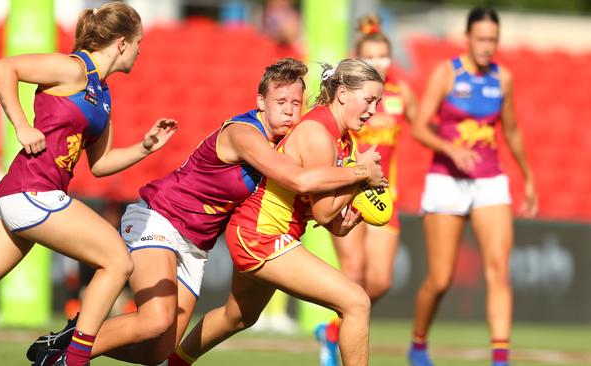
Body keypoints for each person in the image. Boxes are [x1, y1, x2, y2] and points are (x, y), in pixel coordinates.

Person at [28, 57, 385, 365]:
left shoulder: (300, 137)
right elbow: (299, 180)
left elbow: (317, 203)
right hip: (161, 217)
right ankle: (67, 357)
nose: (291, 110)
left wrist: (348, 206)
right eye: (281, 101)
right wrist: (360, 174)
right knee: (155, 320)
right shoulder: (247, 133)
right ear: (260, 101)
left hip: (197, 243)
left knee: (160, 349)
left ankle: (77, 337)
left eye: (296, 101)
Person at [0, 3, 179, 366]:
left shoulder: (103, 92)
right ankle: (73, 359)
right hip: (33, 192)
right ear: (120, 43)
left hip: (25, 195)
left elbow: (100, 165)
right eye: (138, 42)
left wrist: (145, 147)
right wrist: (21, 125)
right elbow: (3, 67)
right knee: (117, 260)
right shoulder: (73, 68)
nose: (140, 50)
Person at [170, 58, 385, 366]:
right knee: (356, 302)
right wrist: (361, 176)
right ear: (342, 95)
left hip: (263, 233)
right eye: (369, 99)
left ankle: (174, 362)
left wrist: (351, 214)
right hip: (261, 235)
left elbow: (332, 222)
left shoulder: (344, 141)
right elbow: (324, 213)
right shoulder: (317, 134)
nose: (373, 110)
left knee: (237, 316)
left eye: (377, 102)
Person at [407, 6, 538, 366]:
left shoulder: (503, 79)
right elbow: (418, 126)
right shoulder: (446, 73)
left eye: (492, 39)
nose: (486, 46)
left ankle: (500, 359)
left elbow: (510, 130)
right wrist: (451, 148)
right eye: (480, 38)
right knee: (441, 278)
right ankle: (418, 343)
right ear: (467, 38)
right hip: (447, 180)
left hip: (490, 182)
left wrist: (527, 176)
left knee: (498, 269)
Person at [316, 14, 417, 366]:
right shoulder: (349, 101)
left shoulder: (402, 95)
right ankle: (339, 343)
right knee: (354, 273)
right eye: (370, 56)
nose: (379, 62)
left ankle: (330, 330)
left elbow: (424, 126)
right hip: (349, 190)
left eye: (384, 56)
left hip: (383, 193)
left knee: (381, 280)